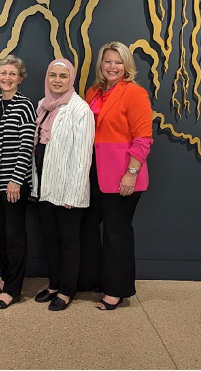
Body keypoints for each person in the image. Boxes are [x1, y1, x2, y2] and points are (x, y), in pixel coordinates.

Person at [84, 41, 153, 310]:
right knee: (89, 228)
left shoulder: (134, 93)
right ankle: (96, 279)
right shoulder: (93, 91)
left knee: (116, 233)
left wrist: (131, 173)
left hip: (123, 175)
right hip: (94, 173)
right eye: (108, 61)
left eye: (118, 62)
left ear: (127, 66)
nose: (113, 67)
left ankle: (116, 290)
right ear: (101, 64)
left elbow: (144, 138)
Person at [32, 59, 95, 311]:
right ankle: (54, 284)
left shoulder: (81, 110)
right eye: (53, 76)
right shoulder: (43, 105)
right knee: (50, 239)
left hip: (68, 190)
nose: (57, 80)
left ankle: (67, 290)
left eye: (63, 76)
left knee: (69, 242)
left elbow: (82, 157)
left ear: (72, 79)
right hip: (46, 186)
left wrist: (74, 193)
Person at [0, 55, 37, 309]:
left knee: (15, 237)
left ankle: (13, 290)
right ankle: (6, 279)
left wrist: (16, 180)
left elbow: (28, 145)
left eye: (12, 74)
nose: (7, 78)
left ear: (20, 78)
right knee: (2, 234)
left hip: (13, 183)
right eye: (3, 73)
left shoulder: (25, 105)